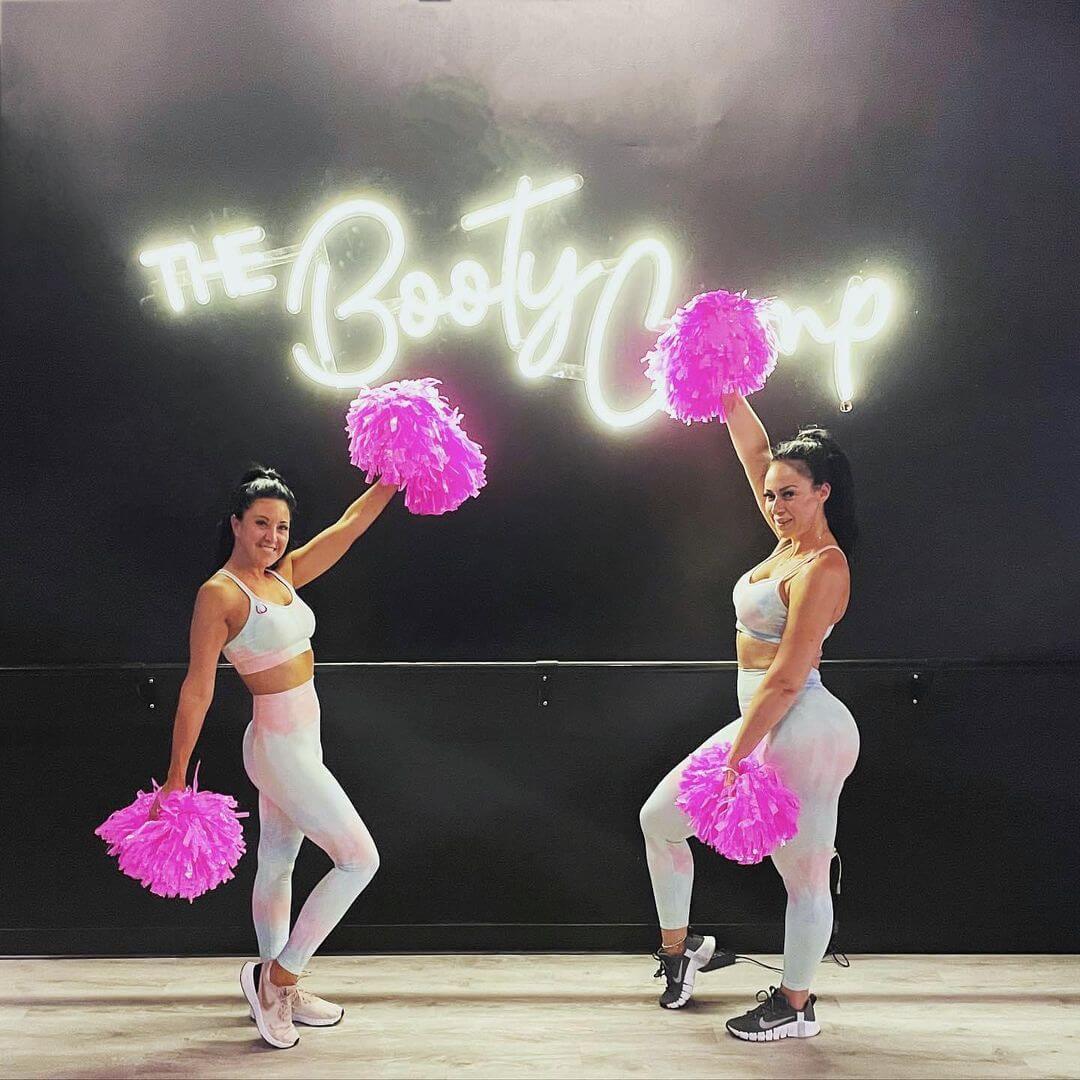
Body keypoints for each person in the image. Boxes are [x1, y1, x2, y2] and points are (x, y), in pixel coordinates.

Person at [639, 392, 860, 1041]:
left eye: (789, 494)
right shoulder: (786, 545)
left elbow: (789, 675)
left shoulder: (825, 564)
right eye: (769, 496)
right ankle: (680, 956)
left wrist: (739, 757)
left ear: (822, 492)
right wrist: (726, 383)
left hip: (803, 727)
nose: (775, 505)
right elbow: (756, 451)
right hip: (765, 720)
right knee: (660, 820)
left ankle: (795, 1005)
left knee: (805, 874)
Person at [153, 466, 397, 1049]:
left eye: (282, 526)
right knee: (359, 859)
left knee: (279, 862)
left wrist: (394, 477)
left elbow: (349, 525)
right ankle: (277, 980)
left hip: (302, 741)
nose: (273, 535)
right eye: (261, 523)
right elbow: (197, 688)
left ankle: (272, 974)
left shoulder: (282, 576)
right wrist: (175, 778)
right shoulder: (220, 594)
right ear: (236, 524)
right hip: (278, 749)